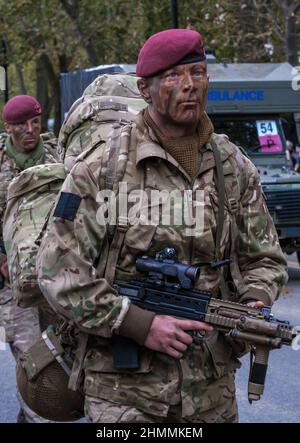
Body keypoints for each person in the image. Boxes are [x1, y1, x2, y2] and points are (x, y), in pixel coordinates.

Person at [37, 29, 288, 423]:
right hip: (125, 396)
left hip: (211, 393)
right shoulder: (101, 170)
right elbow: (57, 270)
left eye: (198, 72)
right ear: (145, 89)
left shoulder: (234, 168)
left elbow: (265, 257)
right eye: (172, 76)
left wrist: (254, 301)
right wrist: (137, 323)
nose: (189, 86)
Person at [0, 94, 59, 422]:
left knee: (58, 348)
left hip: (54, 272)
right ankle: (34, 414)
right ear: (8, 127)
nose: (30, 129)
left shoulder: (56, 156)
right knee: (29, 351)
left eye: (34, 122)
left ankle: (34, 413)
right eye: (21, 124)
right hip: (13, 281)